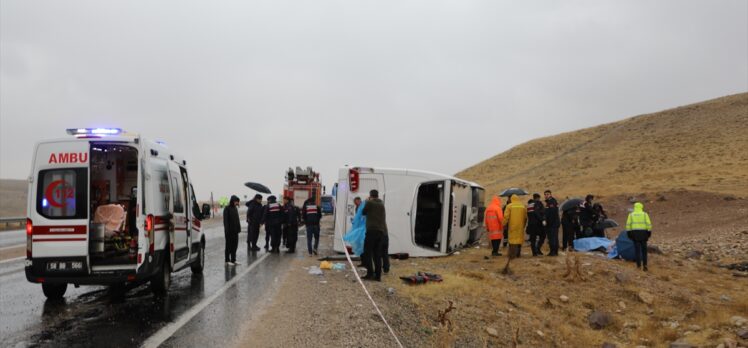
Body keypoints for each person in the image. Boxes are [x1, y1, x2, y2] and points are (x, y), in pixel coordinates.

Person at [362, 189, 387, 281]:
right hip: (380, 231)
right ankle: (378, 276)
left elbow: (363, 212)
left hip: (371, 230)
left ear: (371, 195)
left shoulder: (370, 203)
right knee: (377, 254)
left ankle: (370, 273)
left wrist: (367, 201)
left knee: (367, 252)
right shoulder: (381, 204)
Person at [626, 202, 652, 271]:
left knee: (637, 251)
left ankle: (638, 266)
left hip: (635, 234)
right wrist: (649, 232)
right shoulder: (644, 214)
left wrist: (629, 233)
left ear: (634, 207)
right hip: (644, 233)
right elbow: (648, 224)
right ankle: (645, 265)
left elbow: (628, 225)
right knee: (644, 251)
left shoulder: (631, 215)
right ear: (641, 207)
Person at [503, 194, 527, 259]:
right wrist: (523, 225)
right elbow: (525, 218)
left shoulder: (509, 206)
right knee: (519, 240)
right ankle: (518, 254)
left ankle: (512, 254)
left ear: (511, 199)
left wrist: (504, 224)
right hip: (520, 226)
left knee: (512, 240)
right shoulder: (523, 206)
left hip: (512, 226)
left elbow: (506, 217)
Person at [223, 195, 241, 265]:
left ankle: (233, 260)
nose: (237, 203)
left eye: (237, 202)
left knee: (235, 246)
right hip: (229, 232)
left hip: (235, 231)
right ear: (232, 201)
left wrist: (238, 228)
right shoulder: (227, 208)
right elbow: (226, 221)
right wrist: (227, 231)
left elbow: (237, 220)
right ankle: (227, 260)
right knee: (228, 246)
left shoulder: (235, 208)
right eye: (236, 201)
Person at [544, 190, 560, 256]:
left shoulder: (551, 202)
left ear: (550, 194)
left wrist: (548, 222)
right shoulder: (550, 202)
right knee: (554, 237)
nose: (546, 195)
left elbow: (552, 213)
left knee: (552, 238)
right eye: (545, 194)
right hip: (553, 223)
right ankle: (554, 251)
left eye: (547, 194)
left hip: (553, 223)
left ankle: (553, 251)